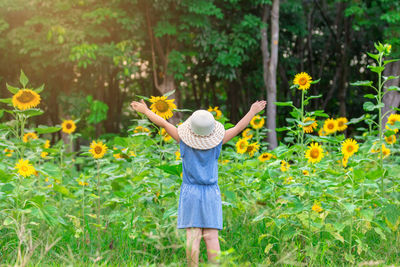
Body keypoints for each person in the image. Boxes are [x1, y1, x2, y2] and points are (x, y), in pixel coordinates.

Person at [130, 99, 267, 266]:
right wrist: (253, 111)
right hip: (211, 193)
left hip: (190, 192)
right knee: (211, 237)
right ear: (212, 131)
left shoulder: (182, 140)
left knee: (192, 236)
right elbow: (238, 128)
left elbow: (163, 123)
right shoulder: (218, 142)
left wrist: (145, 110)